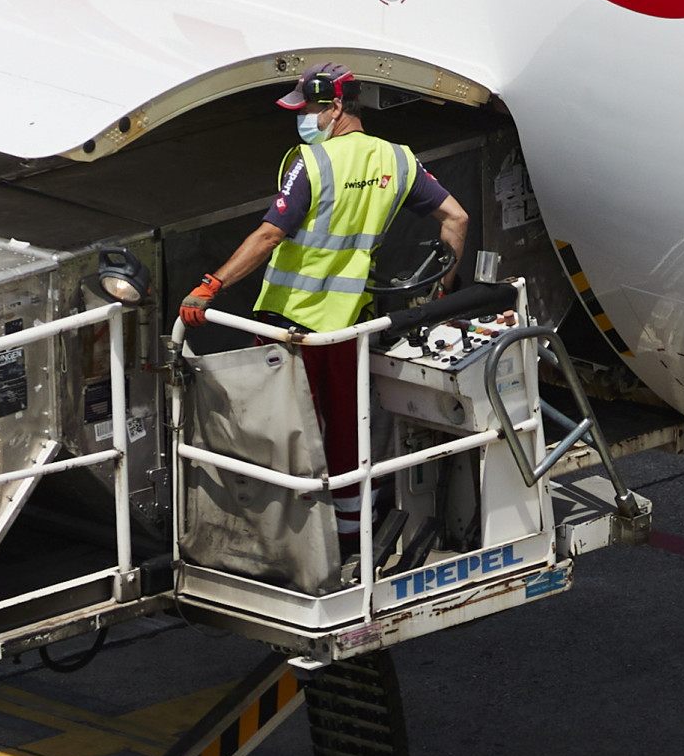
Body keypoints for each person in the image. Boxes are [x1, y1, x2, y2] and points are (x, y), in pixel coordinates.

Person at [183, 68, 469, 562]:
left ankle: (285, 546)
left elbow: (271, 234)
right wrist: (439, 293)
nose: (302, 120)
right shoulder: (397, 160)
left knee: (277, 436)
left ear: (334, 109)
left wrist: (211, 286)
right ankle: (349, 543)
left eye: (308, 111)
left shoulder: (311, 163)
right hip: (347, 327)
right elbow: (456, 219)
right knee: (346, 437)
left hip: (289, 328)